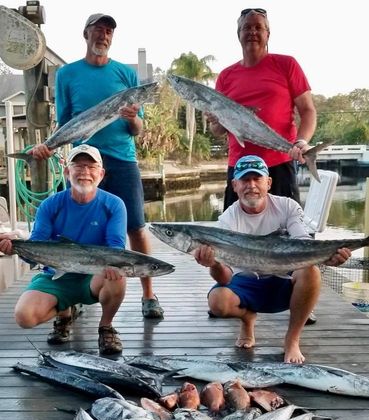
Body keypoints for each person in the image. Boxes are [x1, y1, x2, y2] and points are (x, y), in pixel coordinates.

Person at [31, 13, 163, 319]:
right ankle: (70, 297)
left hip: (122, 158)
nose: (103, 36)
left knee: (136, 227)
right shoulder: (67, 74)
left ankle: (148, 294)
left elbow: (137, 129)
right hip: (83, 161)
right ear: (86, 34)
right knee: (71, 230)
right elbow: (66, 122)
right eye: (98, 30)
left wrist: (132, 118)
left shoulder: (126, 76)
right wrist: (49, 146)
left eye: (108, 32)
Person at [194, 155, 351, 364]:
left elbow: (303, 241)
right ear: (234, 185)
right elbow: (225, 278)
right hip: (246, 281)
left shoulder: (288, 206)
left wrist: (328, 256)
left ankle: (292, 340)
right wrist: (213, 264)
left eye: (257, 179)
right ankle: (247, 318)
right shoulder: (227, 219)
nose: (251, 186)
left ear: (268, 182)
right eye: (244, 180)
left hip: (284, 278)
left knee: (311, 271)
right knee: (217, 302)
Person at [0, 144, 128, 355]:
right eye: (78, 166)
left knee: (118, 274)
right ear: (67, 171)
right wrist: (15, 248)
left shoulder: (114, 204)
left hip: (94, 276)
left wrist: (113, 267)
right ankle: (64, 313)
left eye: (91, 167)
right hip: (56, 275)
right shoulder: (50, 205)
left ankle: (106, 327)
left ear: (101, 173)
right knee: (24, 316)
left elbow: (115, 247)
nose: (85, 172)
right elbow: (37, 246)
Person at [207, 7, 317, 210]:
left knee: (288, 231)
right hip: (240, 168)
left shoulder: (287, 65)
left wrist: (301, 142)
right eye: (246, 27)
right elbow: (219, 130)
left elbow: (308, 110)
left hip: (280, 164)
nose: (252, 32)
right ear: (238, 34)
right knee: (236, 234)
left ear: (268, 34)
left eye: (259, 27)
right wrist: (215, 122)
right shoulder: (225, 76)